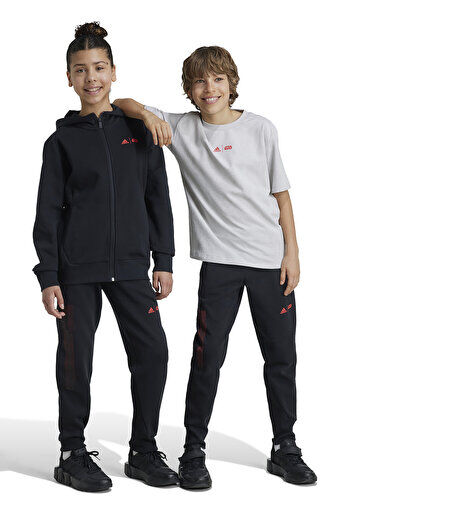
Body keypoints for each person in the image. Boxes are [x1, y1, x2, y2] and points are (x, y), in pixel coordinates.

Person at [114, 45, 317, 488]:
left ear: (231, 83)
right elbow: (120, 102)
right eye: (200, 81)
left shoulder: (260, 128)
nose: (210, 89)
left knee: (281, 357)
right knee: (207, 359)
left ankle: (285, 447)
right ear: (189, 90)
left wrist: (293, 253)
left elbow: (281, 195)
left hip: (270, 262)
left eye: (218, 79)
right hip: (220, 265)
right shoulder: (181, 128)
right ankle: (193, 450)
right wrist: (146, 115)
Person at [32, 22, 178, 492]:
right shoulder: (60, 142)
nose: (90, 77)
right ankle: (71, 452)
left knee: (153, 353)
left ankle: (143, 450)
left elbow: (158, 197)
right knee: (77, 361)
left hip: (133, 266)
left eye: (98, 68)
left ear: (114, 72)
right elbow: (48, 211)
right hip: (76, 270)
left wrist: (164, 258)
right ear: (68, 78)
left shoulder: (139, 131)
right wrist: (48, 276)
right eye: (81, 70)